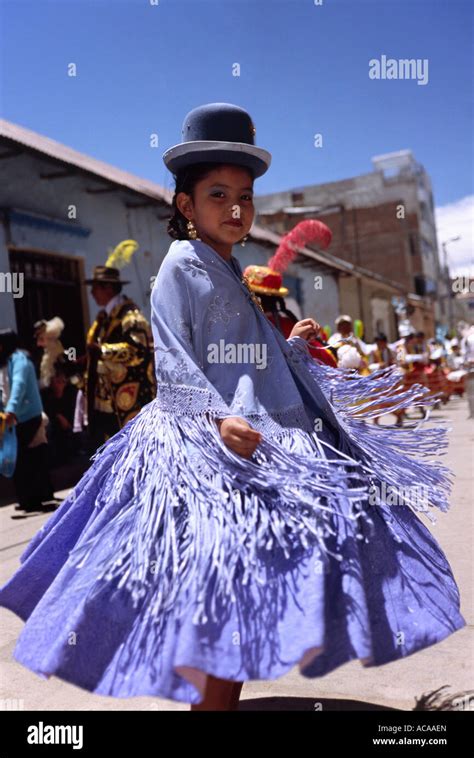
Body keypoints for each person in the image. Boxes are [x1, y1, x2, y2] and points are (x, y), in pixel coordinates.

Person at [0, 103, 465, 711]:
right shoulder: (180, 267)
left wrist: (290, 348)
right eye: (217, 193)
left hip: (255, 442)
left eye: (245, 195)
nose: (236, 207)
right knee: (221, 594)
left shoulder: (229, 270)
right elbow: (173, 360)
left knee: (245, 592)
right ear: (186, 205)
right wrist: (216, 418)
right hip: (212, 451)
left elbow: (248, 355)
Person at [82, 243, 156, 453]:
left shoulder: (129, 316)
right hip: (106, 400)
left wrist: (102, 351)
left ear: (108, 288)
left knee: (132, 448)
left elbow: (139, 350)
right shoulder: (105, 317)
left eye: (95, 287)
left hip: (128, 398)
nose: (92, 293)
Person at [0, 329, 56, 511]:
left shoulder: (20, 360)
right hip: (18, 417)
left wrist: (11, 410)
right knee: (28, 457)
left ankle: (31, 500)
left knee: (26, 458)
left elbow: (19, 386)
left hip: (28, 416)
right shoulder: (7, 361)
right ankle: (31, 498)